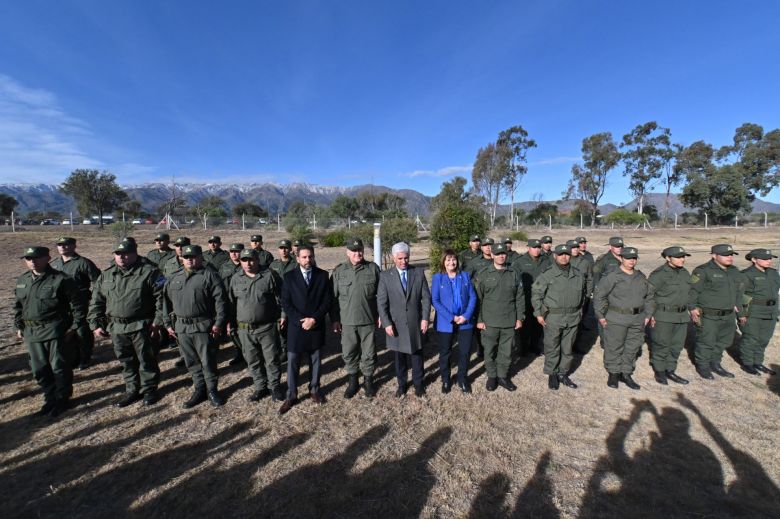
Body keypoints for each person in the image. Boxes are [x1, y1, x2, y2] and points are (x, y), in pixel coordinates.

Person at [88, 241, 165, 407]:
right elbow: (97, 301)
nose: (121, 257)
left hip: (142, 325)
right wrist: (95, 323)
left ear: (135, 253)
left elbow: (162, 299)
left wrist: (158, 322)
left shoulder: (149, 272)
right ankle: (132, 390)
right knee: (126, 360)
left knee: (146, 359)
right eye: (118, 254)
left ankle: (149, 389)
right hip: (116, 327)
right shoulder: (106, 275)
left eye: (126, 253)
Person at [14, 246, 86, 417]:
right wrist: (18, 325)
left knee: (59, 367)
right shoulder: (23, 279)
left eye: (36, 258)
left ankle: (62, 399)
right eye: (28, 258)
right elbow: (18, 305)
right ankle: (49, 397)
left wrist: (74, 326)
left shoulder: (60, 279)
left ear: (47, 258)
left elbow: (78, 304)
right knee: (39, 369)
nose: (32, 261)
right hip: (31, 331)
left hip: (54, 329)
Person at [163, 245, 227, 408]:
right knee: (191, 361)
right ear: (182, 258)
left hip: (203, 326)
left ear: (200, 258)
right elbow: (165, 302)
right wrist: (167, 323)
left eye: (193, 257)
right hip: (182, 328)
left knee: (207, 360)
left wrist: (219, 323)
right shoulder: (174, 277)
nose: (189, 260)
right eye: (186, 257)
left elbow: (220, 301)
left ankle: (212, 389)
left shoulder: (209, 276)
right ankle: (199, 388)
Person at [279, 245, 332, 414]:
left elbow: (327, 301)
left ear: (314, 257)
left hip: (316, 325)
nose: (307, 260)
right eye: (304, 257)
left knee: (315, 360)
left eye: (310, 257)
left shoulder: (323, 276)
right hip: (296, 327)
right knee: (293, 362)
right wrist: (300, 320)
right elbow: (286, 302)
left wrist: (314, 319)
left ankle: (314, 390)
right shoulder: (289, 277)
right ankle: (291, 395)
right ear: (297, 258)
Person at [229, 248, 286, 403]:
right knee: (253, 360)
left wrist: (283, 316)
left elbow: (282, 298)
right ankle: (260, 387)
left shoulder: (270, 276)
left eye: (251, 260)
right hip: (245, 329)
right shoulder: (236, 278)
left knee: (271, 359)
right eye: (244, 260)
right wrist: (230, 323)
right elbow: (231, 303)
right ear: (240, 262)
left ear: (257, 260)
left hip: (267, 327)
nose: (248, 263)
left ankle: (274, 387)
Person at [593, 246, 654, 390]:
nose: (632, 261)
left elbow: (650, 297)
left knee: (632, 347)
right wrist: (600, 315)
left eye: (634, 258)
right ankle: (613, 373)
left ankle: (626, 373)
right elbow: (599, 296)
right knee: (614, 346)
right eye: (628, 258)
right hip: (616, 317)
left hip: (637, 319)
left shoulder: (641, 277)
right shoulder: (612, 276)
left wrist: (648, 314)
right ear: (621, 258)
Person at [377, 242, 431, 397]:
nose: (403, 261)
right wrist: (386, 323)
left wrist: (425, 318)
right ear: (394, 258)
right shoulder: (385, 276)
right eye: (400, 258)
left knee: (417, 356)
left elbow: (426, 298)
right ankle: (402, 384)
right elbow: (381, 303)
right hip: (396, 324)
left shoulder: (418, 273)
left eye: (406, 258)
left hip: (415, 322)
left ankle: (418, 384)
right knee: (399, 358)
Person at [330, 237, 381, 399]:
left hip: (368, 321)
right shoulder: (339, 271)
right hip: (347, 322)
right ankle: (353, 381)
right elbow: (332, 299)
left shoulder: (373, 269)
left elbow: (382, 296)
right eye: (353, 251)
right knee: (349, 352)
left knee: (369, 353)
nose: (357, 253)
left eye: (360, 250)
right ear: (347, 252)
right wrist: (335, 319)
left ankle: (368, 381)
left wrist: (381, 315)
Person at [531, 244, 587, 390]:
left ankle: (563, 373)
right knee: (552, 347)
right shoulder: (547, 274)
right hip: (553, 317)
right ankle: (552, 373)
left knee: (567, 348)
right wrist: (538, 314)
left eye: (567, 254)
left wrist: (580, 311)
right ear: (555, 256)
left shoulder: (578, 274)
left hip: (573, 316)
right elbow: (536, 295)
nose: (564, 257)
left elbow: (583, 295)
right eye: (560, 254)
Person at [688, 244, 746, 380]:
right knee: (706, 342)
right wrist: (692, 308)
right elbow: (692, 291)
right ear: (714, 256)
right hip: (709, 315)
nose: (730, 257)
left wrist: (740, 310)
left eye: (731, 255)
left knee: (723, 342)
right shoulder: (703, 270)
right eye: (726, 255)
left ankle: (715, 364)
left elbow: (738, 293)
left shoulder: (734, 271)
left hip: (728, 315)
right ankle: (703, 366)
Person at [474, 242, 524, 391]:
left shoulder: (514, 273)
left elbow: (520, 298)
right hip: (489, 321)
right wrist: (479, 320)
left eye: (504, 254)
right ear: (492, 255)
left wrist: (520, 317)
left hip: (509, 320)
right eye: (498, 254)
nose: (501, 256)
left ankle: (502, 376)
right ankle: (492, 376)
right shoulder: (483, 274)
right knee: (489, 350)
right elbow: (478, 299)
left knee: (506, 351)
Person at [50, 236, 100, 370]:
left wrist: (94, 298)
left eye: (66, 244)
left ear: (74, 246)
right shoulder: (55, 264)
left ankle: (85, 358)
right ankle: (72, 357)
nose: (62, 247)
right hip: (60, 304)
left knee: (82, 330)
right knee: (65, 330)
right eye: (60, 245)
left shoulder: (83, 263)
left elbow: (98, 281)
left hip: (80, 303)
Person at [432, 249, 477, 393]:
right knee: (445, 352)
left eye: (453, 259)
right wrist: (452, 317)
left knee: (465, 352)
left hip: (465, 321)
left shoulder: (465, 276)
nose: (451, 262)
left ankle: (462, 379)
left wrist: (466, 315)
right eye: (448, 260)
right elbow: (436, 300)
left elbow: (473, 297)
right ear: (443, 262)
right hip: (446, 322)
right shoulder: (438, 278)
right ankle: (446, 379)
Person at [647, 246, 693, 385]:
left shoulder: (685, 273)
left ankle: (670, 370)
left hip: (681, 316)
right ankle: (660, 371)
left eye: (683, 256)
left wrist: (692, 308)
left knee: (676, 346)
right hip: (663, 315)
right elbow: (649, 295)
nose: (682, 259)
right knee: (661, 344)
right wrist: (651, 314)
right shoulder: (659, 274)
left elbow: (688, 293)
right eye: (679, 257)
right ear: (668, 258)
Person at [738, 249, 779, 376]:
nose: (769, 261)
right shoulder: (746, 274)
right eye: (765, 259)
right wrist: (741, 314)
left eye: (770, 258)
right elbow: (738, 296)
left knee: (764, 339)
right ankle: (747, 363)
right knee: (751, 338)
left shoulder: (773, 273)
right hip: (753, 312)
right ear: (754, 259)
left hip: (771, 312)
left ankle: (758, 362)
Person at [513, 239, 551, 356]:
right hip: (526, 296)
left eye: (538, 247)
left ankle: (535, 346)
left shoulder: (546, 261)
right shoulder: (520, 261)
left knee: (538, 324)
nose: (536, 249)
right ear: (528, 248)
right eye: (534, 247)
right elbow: (515, 280)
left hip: (542, 298)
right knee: (525, 324)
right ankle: (523, 348)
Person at [270, 239, 298, 359]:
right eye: (281, 248)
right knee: (281, 325)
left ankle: (295, 347)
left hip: (293, 299)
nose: (284, 250)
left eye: (286, 248)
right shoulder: (273, 265)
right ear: (278, 250)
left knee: (293, 324)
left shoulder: (296, 263)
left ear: (290, 249)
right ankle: (283, 348)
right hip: (278, 299)